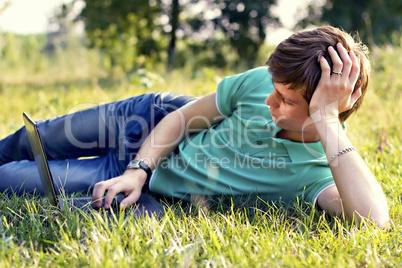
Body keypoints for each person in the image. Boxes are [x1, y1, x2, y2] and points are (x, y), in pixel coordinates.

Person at [0, 26, 389, 227]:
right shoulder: (260, 82)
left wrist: (326, 120)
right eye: (274, 90)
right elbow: (183, 117)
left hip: (148, 187)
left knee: (12, 181)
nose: (270, 101)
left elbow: (373, 222)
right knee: (33, 138)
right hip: (147, 128)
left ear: (328, 106)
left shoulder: (317, 173)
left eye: (287, 101)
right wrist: (138, 169)